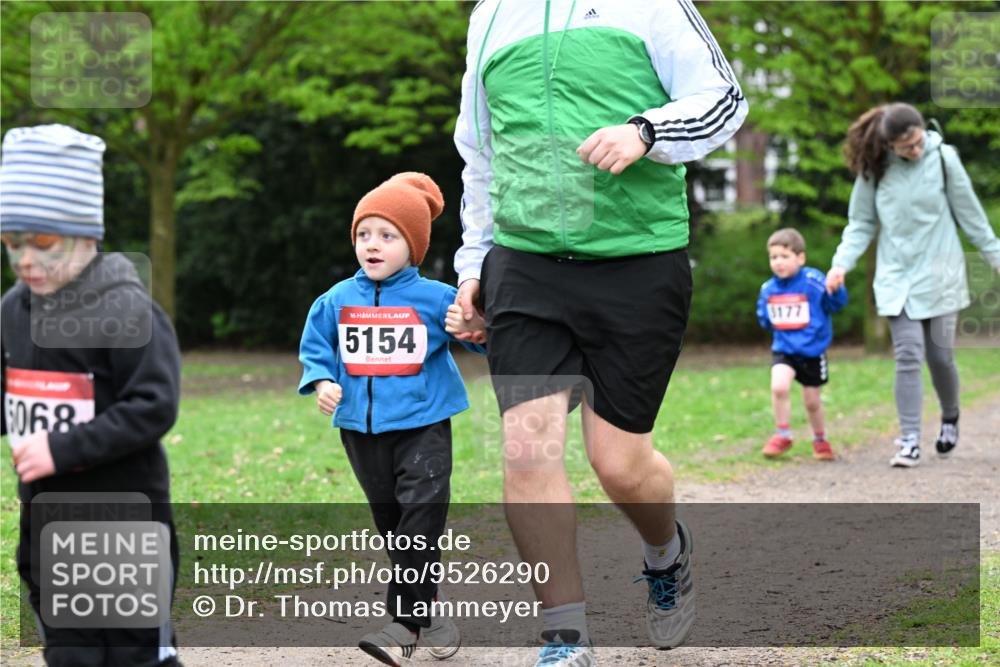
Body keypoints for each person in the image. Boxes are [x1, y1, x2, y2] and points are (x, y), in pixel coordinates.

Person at [450, 2, 748, 663]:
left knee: (620, 464)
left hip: (637, 263)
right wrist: (474, 263)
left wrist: (646, 129)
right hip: (525, 266)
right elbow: (480, 149)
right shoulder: (491, 15)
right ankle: (564, 635)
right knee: (527, 451)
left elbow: (724, 100)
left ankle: (666, 552)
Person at [1, 125, 182, 666]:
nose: (25, 260)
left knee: (135, 654)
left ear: (86, 235)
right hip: (48, 528)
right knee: (70, 654)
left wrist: (62, 449)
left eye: (44, 243)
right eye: (11, 244)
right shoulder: (12, 312)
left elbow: (154, 404)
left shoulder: (129, 311)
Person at [298, 172, 484, 667]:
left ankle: (401, 624)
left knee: (420, 518)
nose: (371, 245)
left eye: (387, 235)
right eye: (364, 234)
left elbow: (477, 337)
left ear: (414, 245)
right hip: (360, 429)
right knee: (394, 526)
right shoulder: (335, 300)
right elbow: (316, 346)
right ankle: (429, 616)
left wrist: (471, 325)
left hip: (423, 425)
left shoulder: (436, 297)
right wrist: (321, 382)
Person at [827, 102, 1000, 468]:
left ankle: (950, 416)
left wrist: (995, 257)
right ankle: (908, 440)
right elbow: (860, 224)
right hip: (896, 277)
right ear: (890, 144)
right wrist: (841, 264)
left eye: (919, 142)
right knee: (907, 356)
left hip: (941, 274)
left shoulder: (943, 159)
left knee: (940, 357)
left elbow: (972, 218)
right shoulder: (874, 170)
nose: (916, 150)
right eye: (907, 147)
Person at [756, 228, 848, 461]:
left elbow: (835, 304)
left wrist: (836, 290)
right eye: (773, 257)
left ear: (800, 258)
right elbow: (765, 317)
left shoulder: (813, 281)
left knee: (812, 401)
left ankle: (820, 438)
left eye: (784, 256)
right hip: (784, 349)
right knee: (779, 387)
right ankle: (783, 434)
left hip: (812, 351)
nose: (778, 262)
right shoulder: (768, 289)